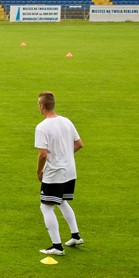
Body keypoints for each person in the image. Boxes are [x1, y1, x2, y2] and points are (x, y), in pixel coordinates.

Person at [35, 91, 84, 256]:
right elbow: (79, 144)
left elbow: (42, 154)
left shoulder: (42, 127)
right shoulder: (67, 122)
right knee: (62, 201)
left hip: (54, 173)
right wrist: (65, 157)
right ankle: (75, 235)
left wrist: (39, 170)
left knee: (46, 207)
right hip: (69, 171)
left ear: (42, 106)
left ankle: (57, 246)